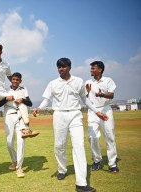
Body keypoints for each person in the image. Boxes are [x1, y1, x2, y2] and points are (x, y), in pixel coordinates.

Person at [33, 58, 109, 192]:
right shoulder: (53, 83)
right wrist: (39, 108)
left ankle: (81, 183)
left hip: (75, 115)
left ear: (69, 67)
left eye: (63, 67)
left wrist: (97, 111)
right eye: (58, 67)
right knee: (59, 145)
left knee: (79, 146)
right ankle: (62, 169)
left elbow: (85, 99)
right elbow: (47, 99)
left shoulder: (78, 81)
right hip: (59, 115)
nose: (61, 69)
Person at [0, 72, 38, 178]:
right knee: (9, 143)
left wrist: (22, 99)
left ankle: (19, 167)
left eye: (17, 80)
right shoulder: (5, 90)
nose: (15, 81)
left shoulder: (23, 89)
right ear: (11, 80)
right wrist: (6, 98)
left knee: (21, 142)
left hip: (20, 116)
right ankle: (14, 160)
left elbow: (30, 103)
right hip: (9, 116)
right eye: (14, 79)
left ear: (20, 81)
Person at [85, 61, 119, 173]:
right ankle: (96, 160)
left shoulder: (108, 80)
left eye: (93, 68)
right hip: (93, 111)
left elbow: (112, 95)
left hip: (105, 110)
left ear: (100, 69)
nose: (91, 70)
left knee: (109, 137)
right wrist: (88, 92)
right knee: (92, 137)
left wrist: (102, 94)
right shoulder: (88, 82)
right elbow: (84, 98)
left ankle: (112, 163)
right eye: (91, 68)